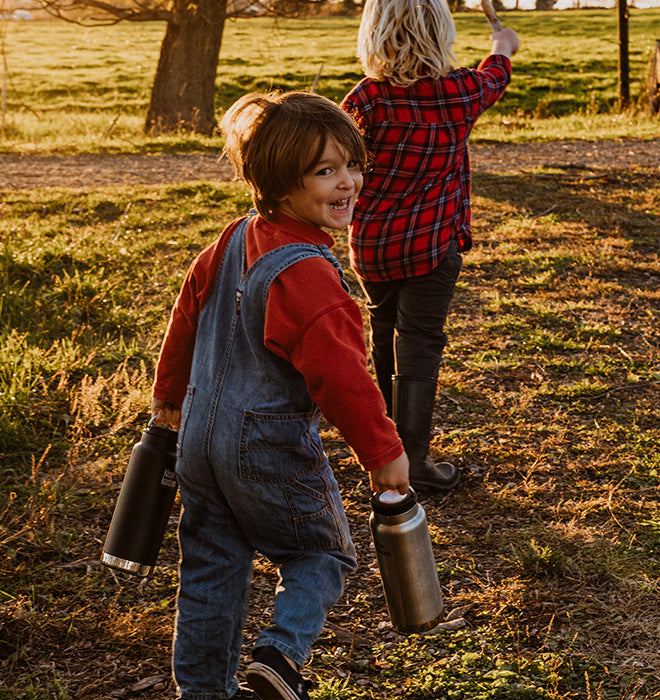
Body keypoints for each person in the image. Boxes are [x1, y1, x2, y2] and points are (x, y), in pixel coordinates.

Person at [150, 91, 410, 700]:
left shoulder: (233, 238)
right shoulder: (311, 276)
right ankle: (280, 659)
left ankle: (203, 691)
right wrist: (383, 453)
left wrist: (168, 397)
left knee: (212, 566)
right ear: (278, 182)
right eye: (325, 171)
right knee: (321, 554)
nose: (348, 182)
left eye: (353, 164)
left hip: (199, 444)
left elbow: (185, 317)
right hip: (266, 449)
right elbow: (343, 378)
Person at [340, 0, 519, 492]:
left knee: (384, 336)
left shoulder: (364, 100)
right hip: (432, 247)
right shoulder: (459, 91)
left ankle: (383, 455)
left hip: (372, 246)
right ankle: (412, 463)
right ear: (441, 32)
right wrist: (502, 47)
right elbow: (493, 79)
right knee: (419, 344)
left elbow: (338, 160)